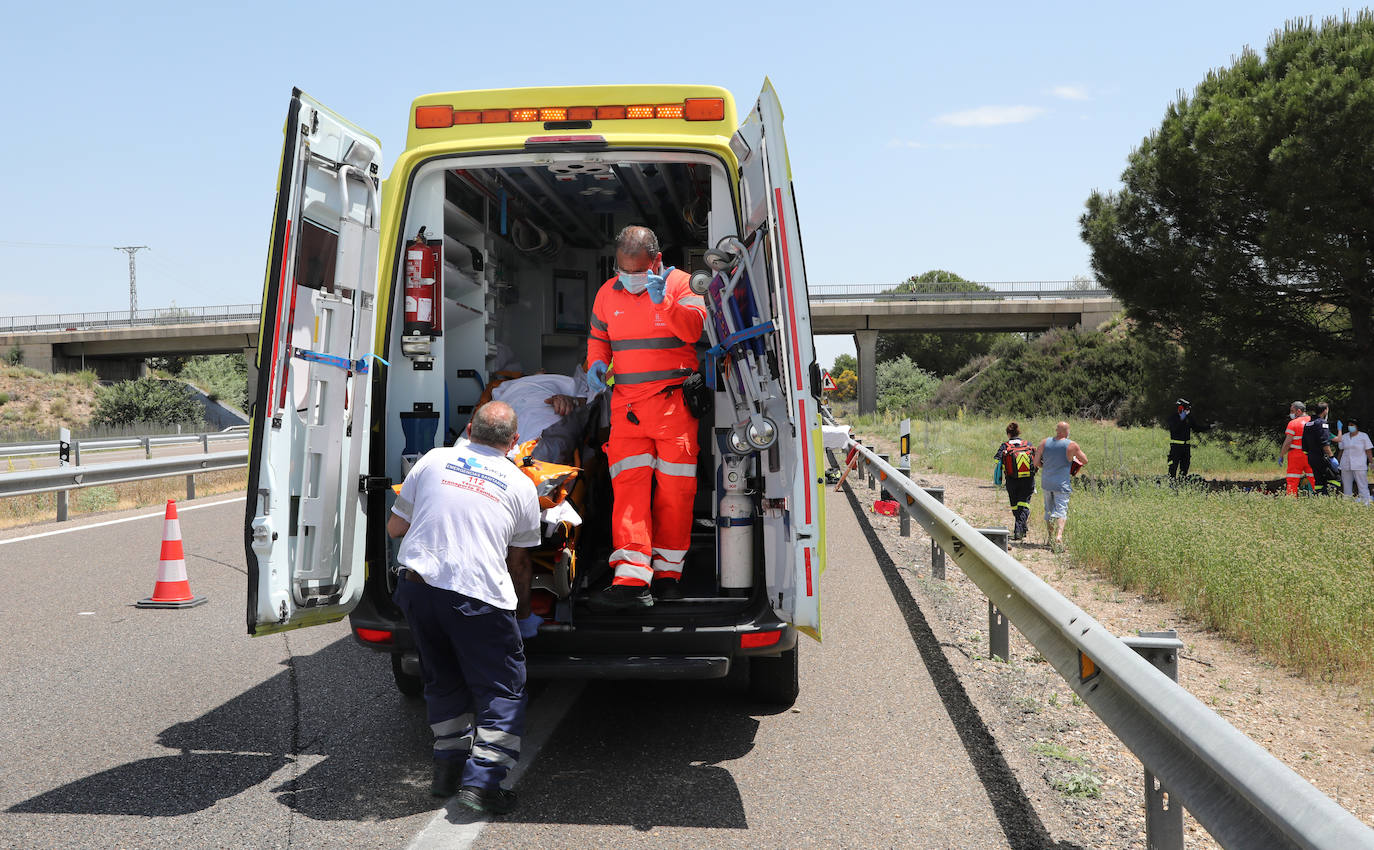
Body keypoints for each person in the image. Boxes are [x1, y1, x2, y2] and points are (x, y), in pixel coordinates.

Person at [388, 401, 542, 813]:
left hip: (419, 589)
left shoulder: (434, 460)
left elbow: (394, 527)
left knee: (442, 679)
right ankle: (483, 785)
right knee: (500, 691)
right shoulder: (522, 484)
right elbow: (520, 562)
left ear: (470, 429)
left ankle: (447, 771)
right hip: (478, 597)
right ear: (513, 442)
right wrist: (522, 610)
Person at [585, 225, 707, 610]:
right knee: (628, 492)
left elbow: (693, 331)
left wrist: (665, 304)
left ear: (656, 260)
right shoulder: (608, 293)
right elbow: (598, 338)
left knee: (675, 494)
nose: (631, 279)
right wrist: (596, 363)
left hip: (674, 409)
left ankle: (669, 575)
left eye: (638, 271)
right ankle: (632, 579)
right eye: (624, 271)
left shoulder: (685, 285)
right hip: (628, 410)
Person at [1035, 421, 1087, 553]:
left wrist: (1045, 466)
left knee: (1048, 510)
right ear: (1066, 431)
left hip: (1047, 482)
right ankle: (1059, 536)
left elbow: (1036, 462)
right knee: (1061, 511)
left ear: (1057, 430)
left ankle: (1050, 538)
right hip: (1062, 484)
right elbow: (1085, 460)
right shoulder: (1071, 445)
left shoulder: (1044, 442)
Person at [994, 422, 1036, 540]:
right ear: (1019, 433)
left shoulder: (1005, 446)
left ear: (1008, 434)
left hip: (1012, 480)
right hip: (1028, 479)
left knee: (1015, 505)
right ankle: (1021, 527)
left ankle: (1019, 529)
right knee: (1024, 503)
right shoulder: (1027, 444)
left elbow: (997, 461)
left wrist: (998, 479)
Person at [1164, 397, 1210, 478]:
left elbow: (1196, 428)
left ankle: (1182, 482)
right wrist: (1182, 418)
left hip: (1186, 447)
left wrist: (1209, 426)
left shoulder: (1189, 418)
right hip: (1176, 447)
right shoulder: (1173, 417)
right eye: (1181, 408)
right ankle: (1171, 483)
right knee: (1173, 467)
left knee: (1185, 467)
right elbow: (1175, 429)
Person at [1302, 402, 1338, 495]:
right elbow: (1325, 443)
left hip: (1311, 457)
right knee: (1335, 478)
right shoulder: (1322, 423)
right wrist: (1331, 457)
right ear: (1325, 410)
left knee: (1318, 480)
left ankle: (1318, 497)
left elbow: (1304, 443)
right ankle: (1326, 497)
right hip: (1321, 456)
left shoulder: (1308, 424)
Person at [1280, 401, 1313, 496]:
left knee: (1292, 480)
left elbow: (1287, 443)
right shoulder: (1313, 421)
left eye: (1292, 411)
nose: (1291, 413)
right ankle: (1317, 498)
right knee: (1314, 478)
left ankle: (1291, 501)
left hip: (1296, 456)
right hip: (1311, 455)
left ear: (1298, 411)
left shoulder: (1293, 423)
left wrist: (1281, 455)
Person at [1337, 418, 1373, 504]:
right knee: (1346, 485)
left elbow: (1368, 450)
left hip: (1359, 464)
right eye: (1349, 425)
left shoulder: (1363, 436)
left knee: (1362, 484)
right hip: (1346, 464)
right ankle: (1347, 502)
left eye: (1352, 425)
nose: (1350, 427)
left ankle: (1366, 502)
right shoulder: (1344, 436)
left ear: (1357, 426)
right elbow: (1341, 450)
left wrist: (1371, 462)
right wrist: (1337, 462)